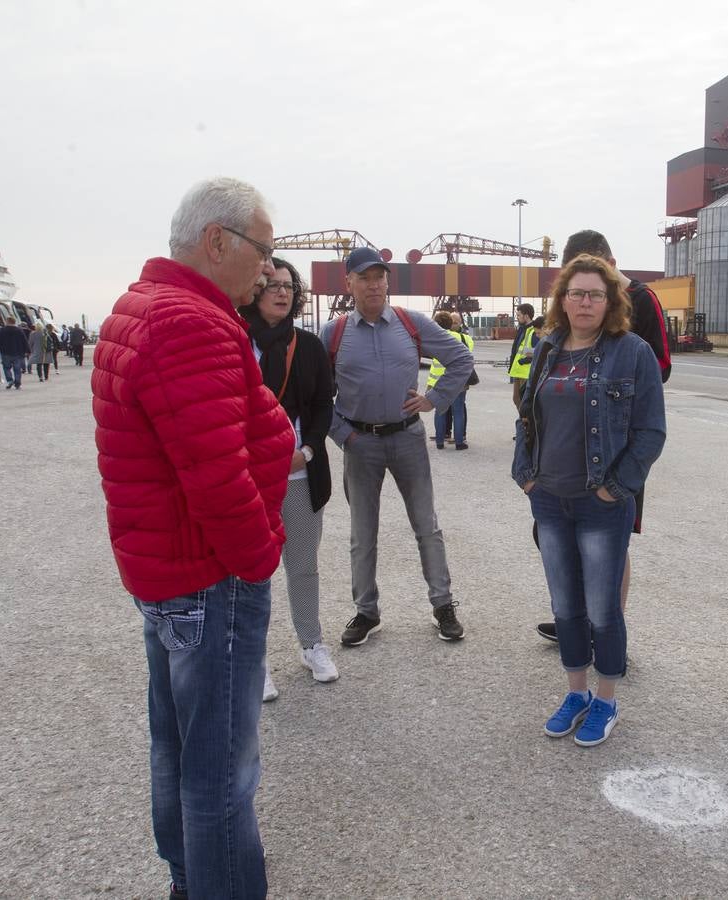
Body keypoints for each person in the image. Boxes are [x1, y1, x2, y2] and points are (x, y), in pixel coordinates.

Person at [92, 177, 292, 900]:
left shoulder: (141, 307)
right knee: (219, 773)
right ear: (219, 242)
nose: (269, 269)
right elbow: (217, 477)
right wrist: (260, 558)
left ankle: (187, 881)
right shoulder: (191, 323)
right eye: (264, 251)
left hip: (170, 575)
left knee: (177, 751)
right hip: (211, 579)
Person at [515, 252, 666, 746]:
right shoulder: (547, 347)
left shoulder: (632, 352)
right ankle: (576, 692)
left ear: (610, 301)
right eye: (576, 293)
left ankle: (606, 699)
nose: (585, 302)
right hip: (550, 499)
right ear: (562, 299)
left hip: (601, 503)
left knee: (603, 610)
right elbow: (527, 416)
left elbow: (650, 432)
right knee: (564, 605)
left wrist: (614, 488)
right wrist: (526, 473)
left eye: (595, 294)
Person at [323, 246, 474, 646]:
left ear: (388, 281)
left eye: (380, 277)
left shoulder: (411, 323)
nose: (374, 285)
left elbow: (460, 358)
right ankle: (366, 611)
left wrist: (433, 399)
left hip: (407, 438)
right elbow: (317, 395)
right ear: (349, 283)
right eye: (365, 277)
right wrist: (344, 435)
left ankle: (442, 604)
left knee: (427, 526)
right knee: (362, 533)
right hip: (361, 444)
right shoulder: (333, 333)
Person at [535, 229, 670, 643]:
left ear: (609, 264)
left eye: (593, 284)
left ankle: (608, 627)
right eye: (575, 287)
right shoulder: (560, 330)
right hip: (566, 455)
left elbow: (662, 366)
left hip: (618, 445)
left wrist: (618, 374)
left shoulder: (644, 300)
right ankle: (576, 618)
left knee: (612, 542)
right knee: (564, 537)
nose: (585, 298)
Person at [243, 256, 339, 693]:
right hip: (246, 478)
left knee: (302, 565)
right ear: (254, 289)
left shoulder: (309, 345)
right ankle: (253, 659)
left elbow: (322, 405)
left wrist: (308, 449)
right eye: (272, 285)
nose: (283, 292)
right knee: (251, 570)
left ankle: (311, 643)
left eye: (288, 286)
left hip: (299, 473)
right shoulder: (235, 341)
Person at [429, 310, 474, 450]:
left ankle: (440, 442)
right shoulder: (466, 339)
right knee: (458, 411)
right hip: (458, 381)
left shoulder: (435, 339)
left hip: (438, 381)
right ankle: (459, 442)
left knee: (440, 411)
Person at [508, 302, 538, 408]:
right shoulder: (522, 329)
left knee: (523, 402)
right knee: (517, 399)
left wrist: (524, 361)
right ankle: (523, 422)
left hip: (526, 372)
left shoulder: (533, 331)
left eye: (519, 315)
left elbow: (537, 351)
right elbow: (516, 350)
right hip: (518, 371)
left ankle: (526, 423)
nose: (517, 318)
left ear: (526, 316)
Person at [0, 317, 28, 389]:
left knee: (6, 368)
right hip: (18, 352)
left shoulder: (2, 330)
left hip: (5, 352)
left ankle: (10, 380)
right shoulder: (19, 330)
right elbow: (24, 341)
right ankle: (17, 383)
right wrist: (27, 351)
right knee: (17, 369)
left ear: (7, 321)